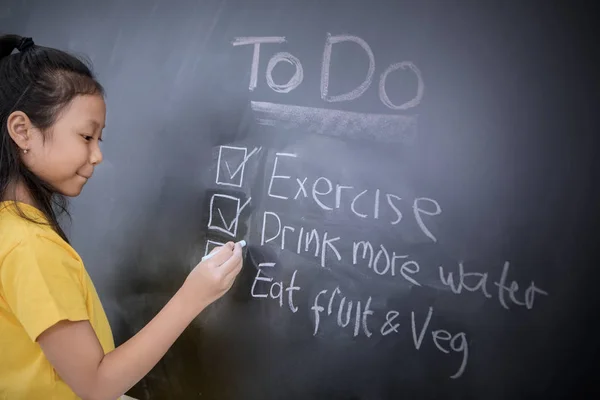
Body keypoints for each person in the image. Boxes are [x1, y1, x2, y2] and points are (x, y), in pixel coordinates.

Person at [0, 34, 244, 400]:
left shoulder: (11, 228)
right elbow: (95, 385)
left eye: (100, 139)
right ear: (22, 131)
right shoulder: (32, 248)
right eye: (86, 136)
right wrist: (193, 296)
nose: (97, 155)